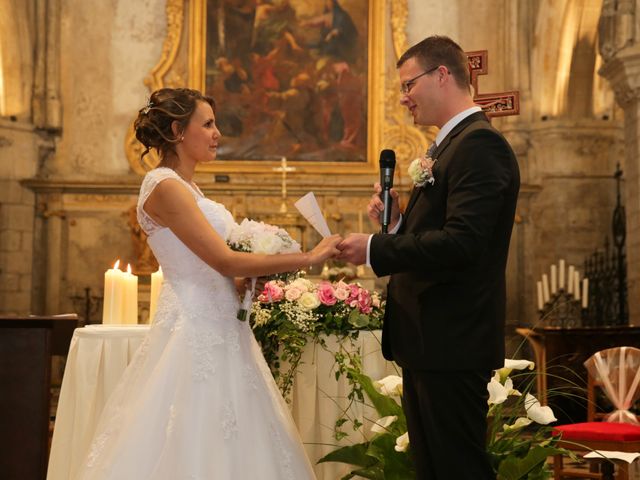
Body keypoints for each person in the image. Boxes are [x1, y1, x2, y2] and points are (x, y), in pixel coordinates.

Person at [74, 87, 341, 480]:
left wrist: (242, 280)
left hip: (224, 328)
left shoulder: (189, 188)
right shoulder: (163, 186)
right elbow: (223, 258)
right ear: (179, 130)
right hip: (194, 331)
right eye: (209, 124)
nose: (218, 133)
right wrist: (310, 257)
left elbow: (221, 266)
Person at [337, 36, 520, 479]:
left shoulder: (479, 145)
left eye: (408, 85)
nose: (403, 99)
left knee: (458, 467)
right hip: (432, 341)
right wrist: (399, 226)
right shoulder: (451, 144)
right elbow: (446, 237)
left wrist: (374, 247)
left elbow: (462, 244)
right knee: (434, 467)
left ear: (442, 75)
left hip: (452, 338)